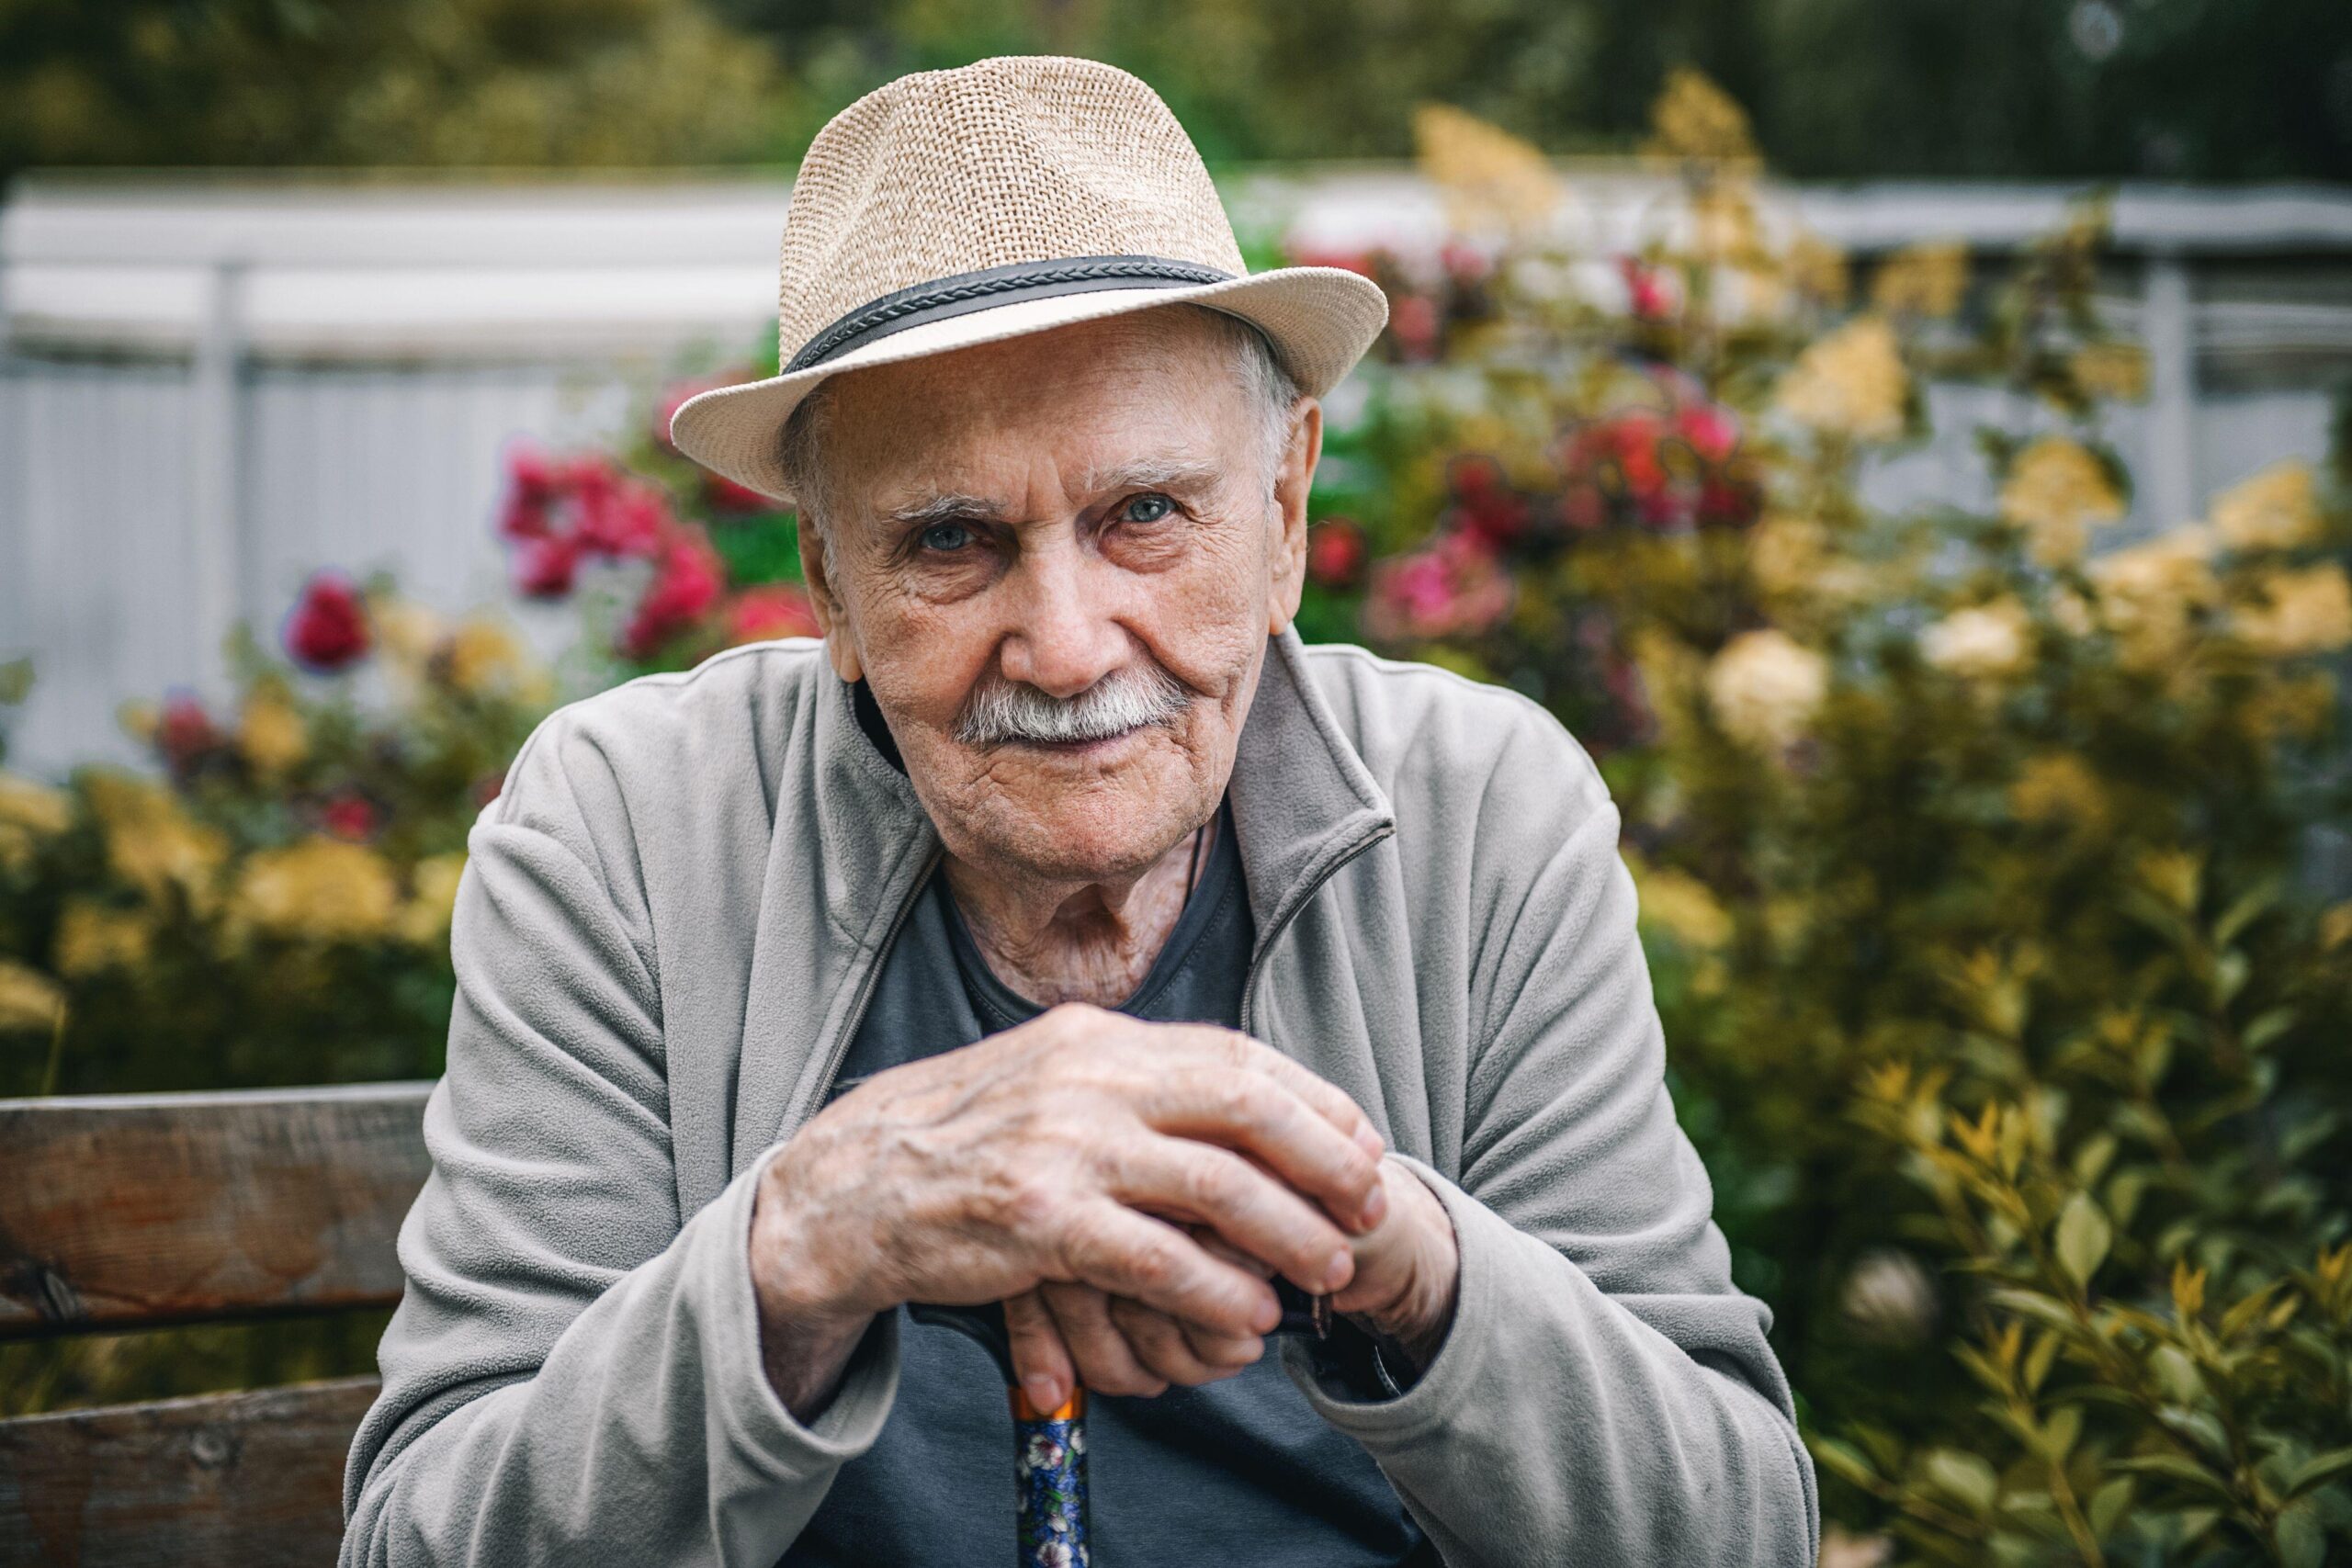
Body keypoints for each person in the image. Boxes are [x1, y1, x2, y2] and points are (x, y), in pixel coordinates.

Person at [339, 53, 1820, 1567]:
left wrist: (1407, 1260)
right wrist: (798, 1250)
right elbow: (424, 1541)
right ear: (832, 582)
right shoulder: (626, 841)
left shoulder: (1484, 817)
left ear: (1286, 514)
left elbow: (1736, 1527)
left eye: (1146, 515)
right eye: (953, 539)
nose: (1065, 644)